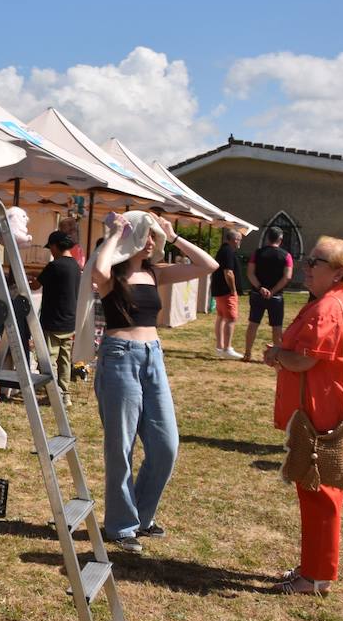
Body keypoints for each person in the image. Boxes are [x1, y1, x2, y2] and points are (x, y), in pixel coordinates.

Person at [263, 236, 343, 595]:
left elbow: (305, 358)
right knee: (320, 490)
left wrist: (277, 356)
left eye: (314, 262)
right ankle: (313, 568)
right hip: (333, 406)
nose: (306, 267)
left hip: (321, 411)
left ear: (338, 273)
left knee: (319, 492)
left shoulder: (330, 307)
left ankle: (315, 577)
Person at [91, 211, 219, 553]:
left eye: (154, 238)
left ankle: (141, 516)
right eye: (146, 236)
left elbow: (208, 266)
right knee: (121, 447)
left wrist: (173, 236)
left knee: (166, 446)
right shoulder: (113, 275)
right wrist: (116, 235)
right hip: (119, 356)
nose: (152, 243)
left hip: (153, 356)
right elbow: (99, 271)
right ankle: (121, 526)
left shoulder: (154, 272)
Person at [33, 230, 80, 403]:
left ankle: (54, 395)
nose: (50, 251)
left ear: (55, 246)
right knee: (64, 360)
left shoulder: (54, 265)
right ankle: (65, 395)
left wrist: (25, 279)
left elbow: (35, 285)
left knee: (48, 360)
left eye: (50, 247)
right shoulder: (76, 265)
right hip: (69, 321)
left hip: (53, 321)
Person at [242, 227, 294, 362]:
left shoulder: (257, 253)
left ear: (267, 238)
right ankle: (277, 356)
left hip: (257, 294)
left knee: (253, 324)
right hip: (276, 297)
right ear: (280, 240)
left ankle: (247, 353)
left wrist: (260, 288)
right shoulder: (287, 256)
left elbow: (250, 273)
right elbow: (287, 276)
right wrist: (273, 291)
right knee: (277, 327)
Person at [210, 228, 243, 358]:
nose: (240, 242)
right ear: (234, 240)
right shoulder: (228, 251)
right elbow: (228, 272)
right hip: (226, 291)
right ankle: (227, 348)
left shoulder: (223, 250)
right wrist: (233, 290)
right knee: (231, 318)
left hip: (219, 290)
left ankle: (220, 346)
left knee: (221, 317)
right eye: (239, 239)